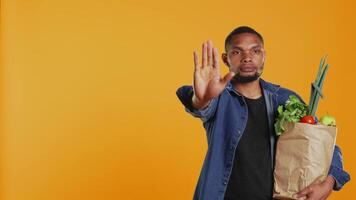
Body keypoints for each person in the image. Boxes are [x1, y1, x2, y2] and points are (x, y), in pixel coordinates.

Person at [176, 26, 350, 200]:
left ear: (264, 56)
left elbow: (324, 145)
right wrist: (201, 99)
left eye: (255, 51)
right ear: (225, 58)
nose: (247, 58)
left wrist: (328, 183)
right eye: (237, 52)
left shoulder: (286, 100)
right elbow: (200, 106)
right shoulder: (219, 98)